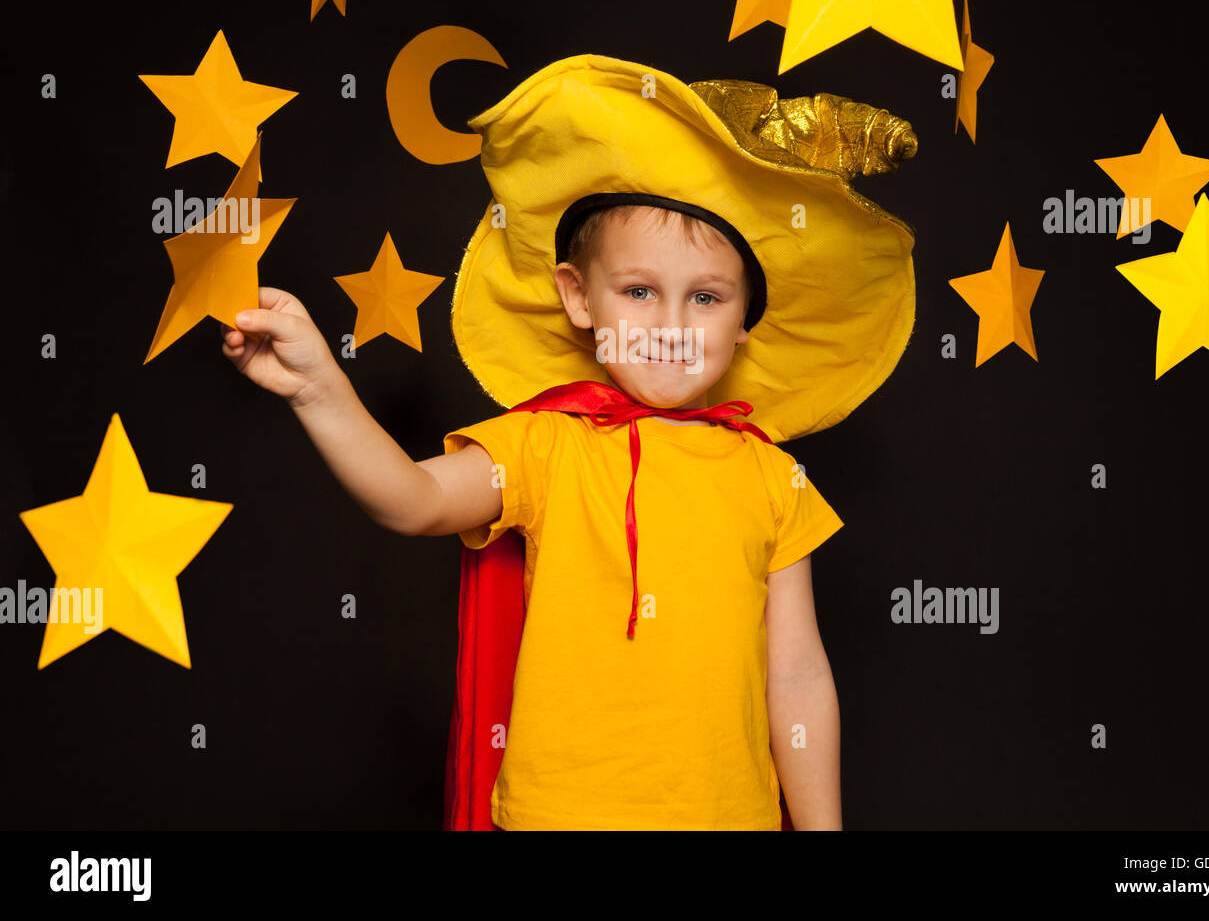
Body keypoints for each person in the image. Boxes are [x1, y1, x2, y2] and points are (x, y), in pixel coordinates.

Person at [221, 54, 918, 830]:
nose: (670, 327)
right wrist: (320, 388)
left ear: (747, 319)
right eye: (639, 291)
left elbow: (794, 674)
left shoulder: (772, 476)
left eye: (707, 297)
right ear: (578, 298)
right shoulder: (545, 445)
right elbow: (412, 501)